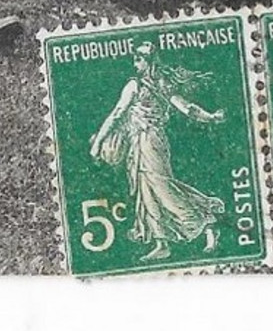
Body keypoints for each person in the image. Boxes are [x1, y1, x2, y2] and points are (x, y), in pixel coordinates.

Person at [89, 43, 226, 261]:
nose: (136, 64)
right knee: (147, 189)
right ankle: (162, 243)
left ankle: (205, 223)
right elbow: (186, 108)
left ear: (149, 61)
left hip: (149, 141)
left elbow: (117, 114)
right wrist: (210, 117)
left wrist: (98, 143)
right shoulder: (159, 84)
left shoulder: (138, 86)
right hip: (142, 141)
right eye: (135, 59)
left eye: (139, 59)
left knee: (162, 187)